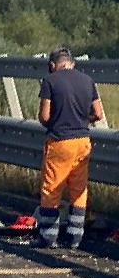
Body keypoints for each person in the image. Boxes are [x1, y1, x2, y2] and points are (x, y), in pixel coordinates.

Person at [35, 48, 104, 249]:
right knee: (78, 189)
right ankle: (75, 238)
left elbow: (44, 117)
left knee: (51, 189)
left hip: (59, 141)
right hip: (82, 142)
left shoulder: (50, 81)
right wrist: (83, 120)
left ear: (52, 65)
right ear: (72, 63)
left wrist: (57, 122)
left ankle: (48, 237)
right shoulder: (88, 80)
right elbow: (98, 114)